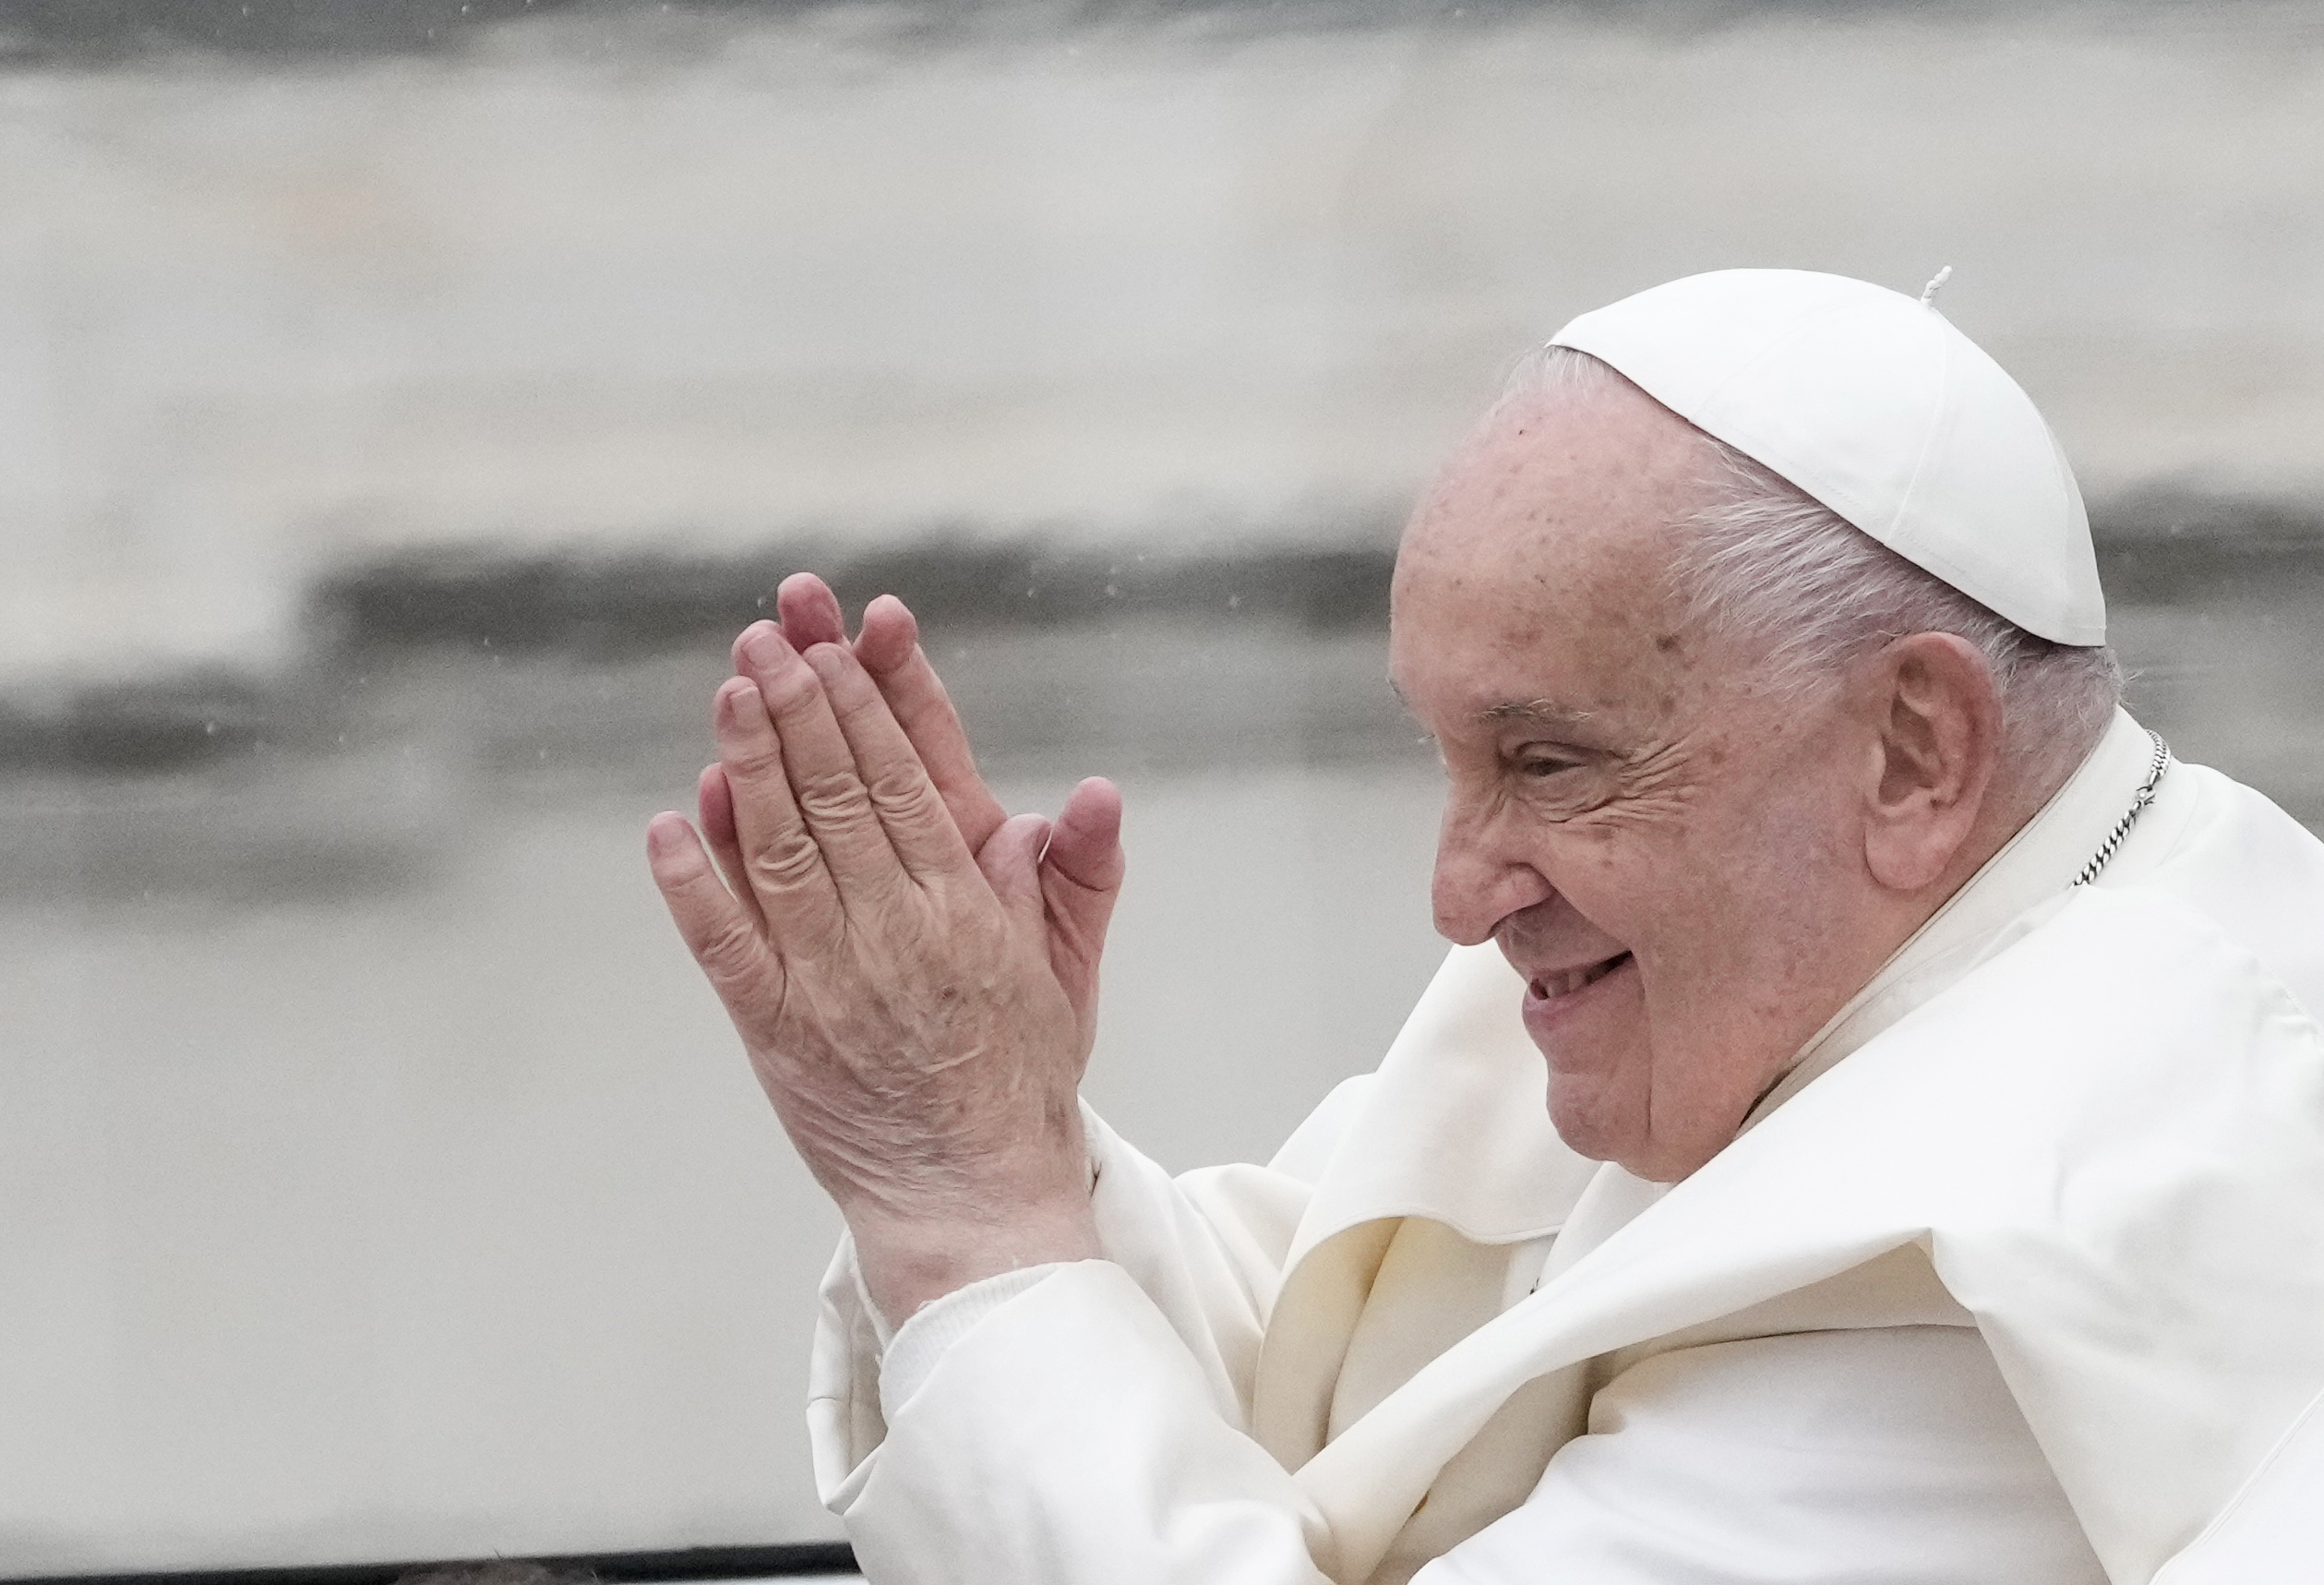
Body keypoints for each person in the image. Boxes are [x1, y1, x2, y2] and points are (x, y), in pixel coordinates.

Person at [645, 270, 2324, 1583]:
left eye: (1545, 760)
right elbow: (1311, 1348)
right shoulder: (1815, 950)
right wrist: (1001, 1129)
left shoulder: (2044, 1254)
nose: (1459, 892)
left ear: (1912, 751)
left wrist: (966, 1215)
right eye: (1447, 760)